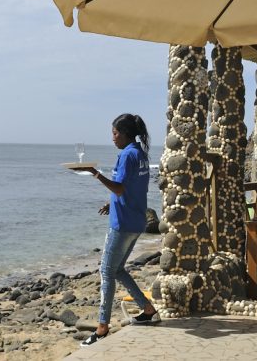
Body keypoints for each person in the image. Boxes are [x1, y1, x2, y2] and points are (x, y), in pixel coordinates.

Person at [80, 113, 158, 346]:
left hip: (122, 224)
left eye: (114, 133)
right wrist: (110, 202)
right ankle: (147, 308)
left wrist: (95, 174)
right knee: (118, 270)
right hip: (136, 221)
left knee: (106, 272)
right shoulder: (140, 154)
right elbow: (131, 189)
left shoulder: (127, 155)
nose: (112, 138)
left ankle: (102, 327)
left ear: (124, 134)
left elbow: (120, 188)